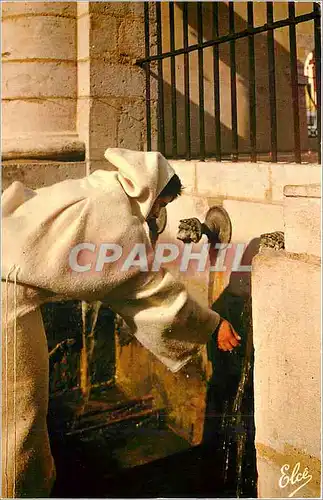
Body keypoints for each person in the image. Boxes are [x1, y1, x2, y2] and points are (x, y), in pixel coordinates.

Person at [1, 148, 240, 498]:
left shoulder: (97, 188)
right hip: (7, 306)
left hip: (11, 288)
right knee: (17, 428)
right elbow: (146, 289)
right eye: (161, 205)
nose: (158, 214)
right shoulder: (112, 214)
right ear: (150, 191)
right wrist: (211, 325)